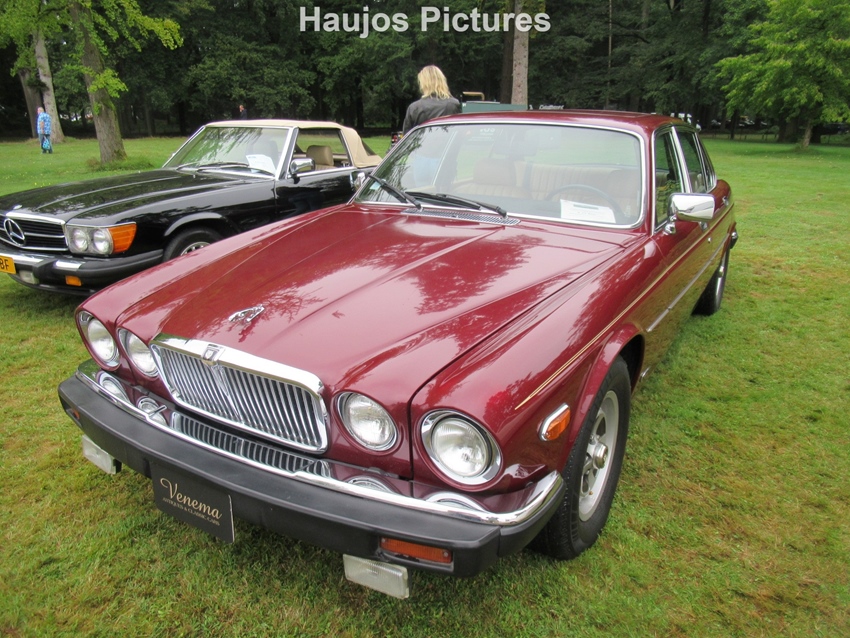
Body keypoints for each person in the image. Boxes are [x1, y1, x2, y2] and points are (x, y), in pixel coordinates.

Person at [402, 65, 461, 134]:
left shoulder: (414, 108)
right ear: (442, 81)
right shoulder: (453, 104)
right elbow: (460, 132)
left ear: (423, 84)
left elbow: (407, 136)